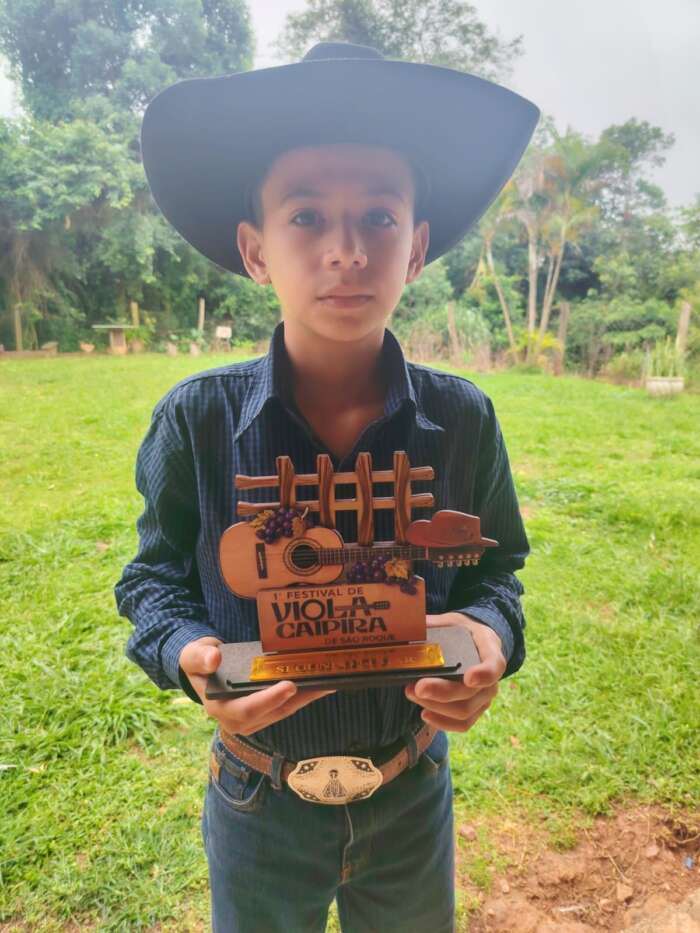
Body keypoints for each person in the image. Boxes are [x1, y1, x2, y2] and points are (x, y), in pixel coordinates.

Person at [115, 41, 538, 933]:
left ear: (415, 248)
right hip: (258, 796)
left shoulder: (464, 418)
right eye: (306, 216)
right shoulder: (197, 419)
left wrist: (490, 636)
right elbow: (151, 581)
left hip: (410, 787)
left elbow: (497, 574)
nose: (346, 250)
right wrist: (189, 654)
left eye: (379, 217)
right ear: (255, 250)